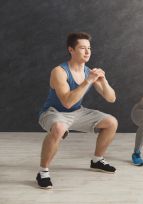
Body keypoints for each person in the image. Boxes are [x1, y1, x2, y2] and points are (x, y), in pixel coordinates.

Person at [36, 32, 118, 189]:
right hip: (53, 112)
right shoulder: (59, 71)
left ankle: (97, 160)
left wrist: (104, 81)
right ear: (71, 50)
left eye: (89, 48)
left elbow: (111, 98)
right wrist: (88, 81)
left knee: (111, 122)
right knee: (59, 128)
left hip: (78, 112)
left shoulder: (88, 71)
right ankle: (43, 171)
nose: (87, 52)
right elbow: (67, 102)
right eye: (82, 48)